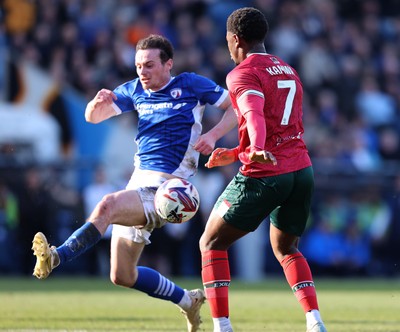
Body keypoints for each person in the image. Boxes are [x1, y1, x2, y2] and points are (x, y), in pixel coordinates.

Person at [31, 34, 236, 332]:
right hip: (137, 186)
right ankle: (187, 300)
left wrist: (214, 136)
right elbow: (93, 117)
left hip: (168, 190)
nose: (143, 71)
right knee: (122, 275)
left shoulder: (190, 84)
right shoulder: (135, 90)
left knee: (107, 205)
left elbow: (234, 105)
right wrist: (95, 103)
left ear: (168, 64)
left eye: (150, 65)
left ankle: (57, 255)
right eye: (139, 65)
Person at [199, 7, 327, 332]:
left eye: (227, 40)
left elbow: (255, 115)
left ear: (235, 39)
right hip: (302, 171)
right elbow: (284, 126)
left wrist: (254, 147)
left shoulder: (241, 73)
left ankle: (222, 326)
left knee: (211, 243)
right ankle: (314, 321)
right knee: (286, 248)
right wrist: (237, 151)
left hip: (267, 174)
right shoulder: (288, 69)